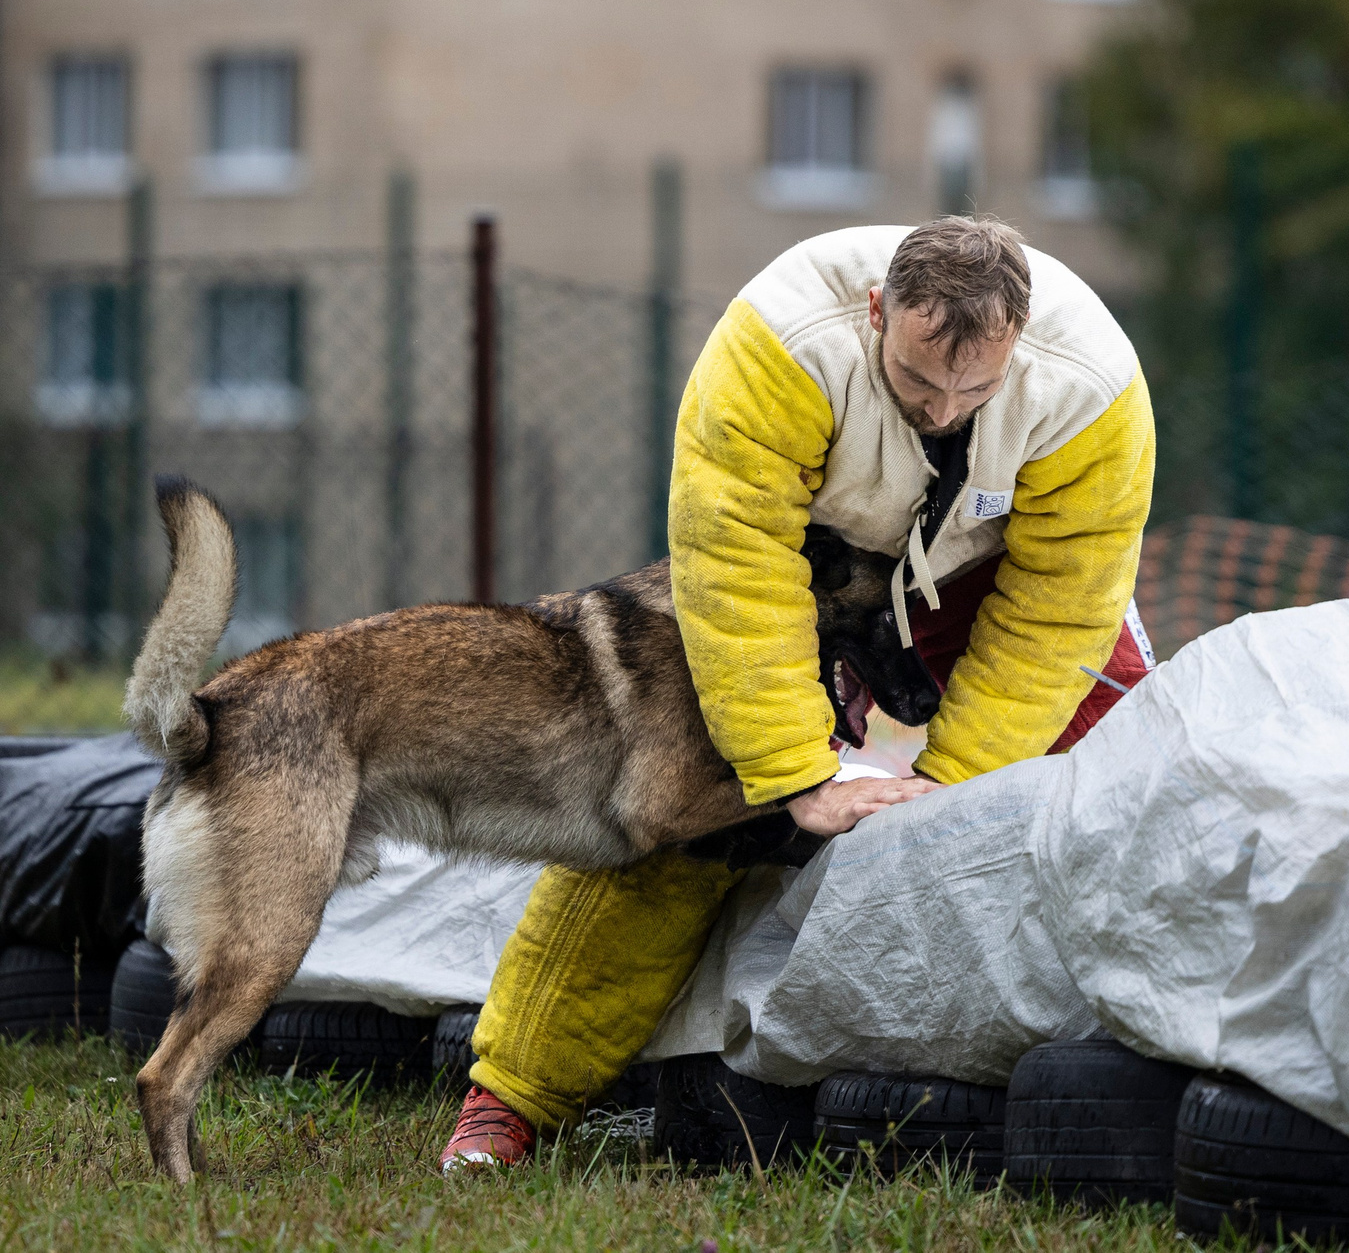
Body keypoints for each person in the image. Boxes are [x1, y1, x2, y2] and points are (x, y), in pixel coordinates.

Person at [440, 216, 1155, 1168]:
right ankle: (513, 1095)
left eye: (976, 390)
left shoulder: (1095, 389)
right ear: (877, 311)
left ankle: (1124, 1048)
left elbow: (1059, 611)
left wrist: (957, 784)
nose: (944, 411)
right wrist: (790, 772)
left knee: (1111, 790)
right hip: (810, 572)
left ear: (1018, 340)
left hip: (987, 573)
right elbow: (735, 562)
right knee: (687, 805)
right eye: (917, 381)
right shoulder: (779, 341)